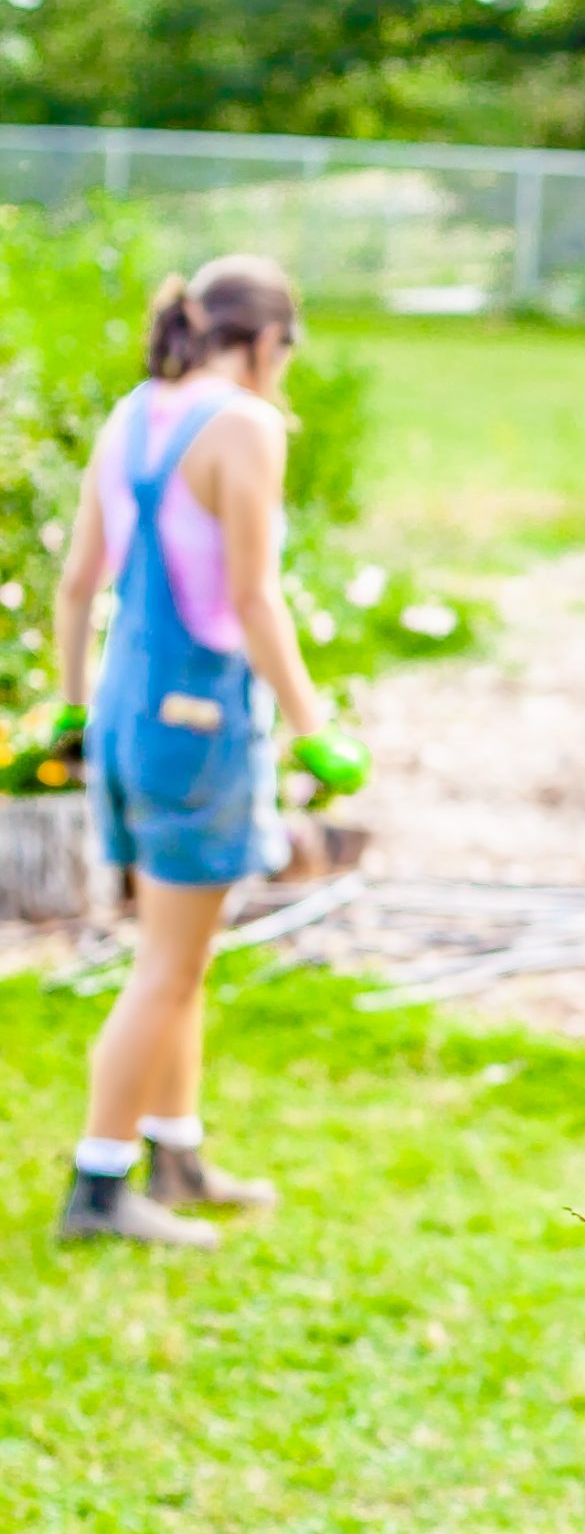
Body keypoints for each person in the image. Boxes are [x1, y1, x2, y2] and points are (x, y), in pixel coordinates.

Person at [48, 255, 372, 1249]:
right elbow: (251, 597)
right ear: (271, 341)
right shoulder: (243, 424)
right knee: (166, 967)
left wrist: (67, 712)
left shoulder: (137, 411)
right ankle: (99, 1189)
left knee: (177, 957)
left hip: (125, 714)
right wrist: (315, 729)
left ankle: (175, 1156)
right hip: (199, 726)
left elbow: (74, 584)